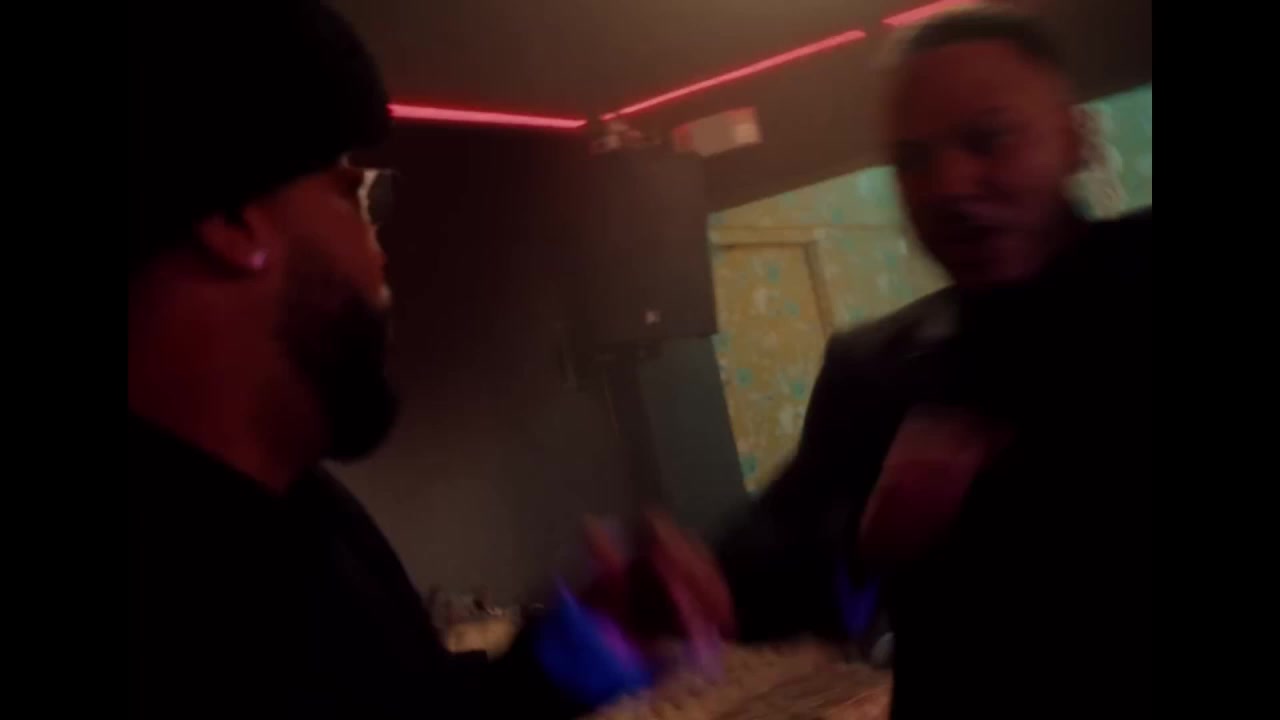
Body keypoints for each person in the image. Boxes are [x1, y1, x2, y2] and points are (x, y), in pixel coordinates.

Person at [129, 2, 709, 717]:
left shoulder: (315, 514)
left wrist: (581, 648)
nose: (381, 260)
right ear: (231, 220)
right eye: (354, 196)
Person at [702, 7, 1149, 719]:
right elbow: (775, 572)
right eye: (914, 161)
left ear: (1077, 140)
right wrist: (699, 582)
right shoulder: (876, 368)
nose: (948, 185)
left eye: (989, 139)